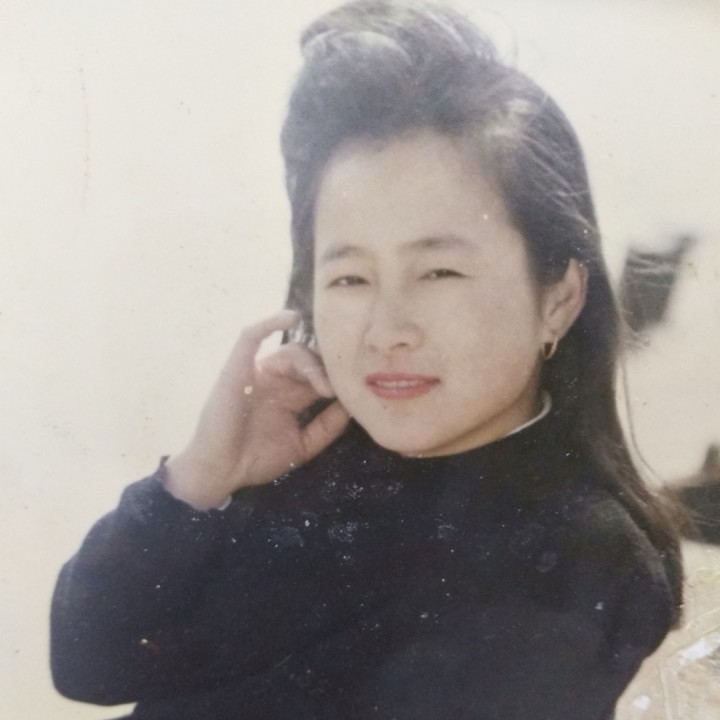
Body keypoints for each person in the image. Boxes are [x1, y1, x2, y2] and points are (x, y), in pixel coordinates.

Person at [51, 2, 683, 718]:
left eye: (439, 272)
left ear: (559, 298)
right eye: (350, 278)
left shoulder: (583, 557)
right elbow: (86, 665)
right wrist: (199, 476)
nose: (385, 331)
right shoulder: (303, 457)